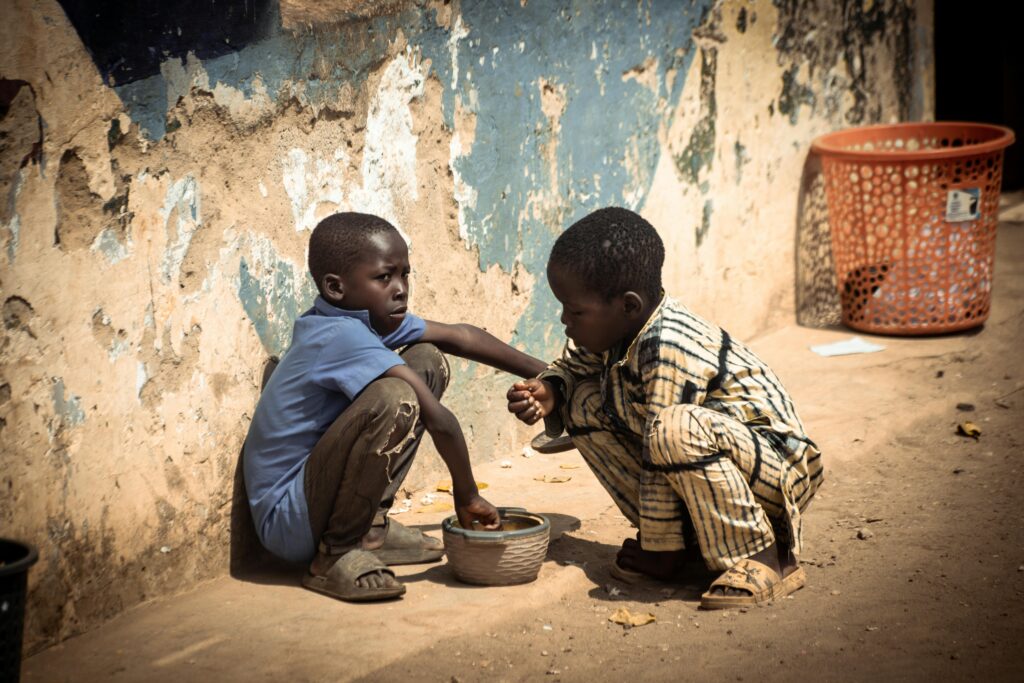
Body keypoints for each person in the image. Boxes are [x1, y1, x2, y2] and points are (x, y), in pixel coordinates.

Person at [507, 207, 823, 609]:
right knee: (582, 402)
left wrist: (658, 551)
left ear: (628, 306)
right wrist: (551, 389)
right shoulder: (619, 330)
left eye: (576, 311)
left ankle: (766, 557)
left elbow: (662, 448)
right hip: (716, 460)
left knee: (673, 430)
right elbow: (573, 366)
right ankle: (693, 544)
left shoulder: (669, 344)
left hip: (779, 470)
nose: (565, 321)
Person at [245, 212, 547, 602]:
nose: (400, 289)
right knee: (398, 397)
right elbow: (439, 420)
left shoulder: (362, 317)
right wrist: (468, 495)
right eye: (384, 277)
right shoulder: (340, 336)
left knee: (427, 358)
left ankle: (369, 531)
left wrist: (554, 374)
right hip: (288, 521)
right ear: (336, 287)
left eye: (405, 274)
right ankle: (334, 556)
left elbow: (462, 336)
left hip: (311, 496)